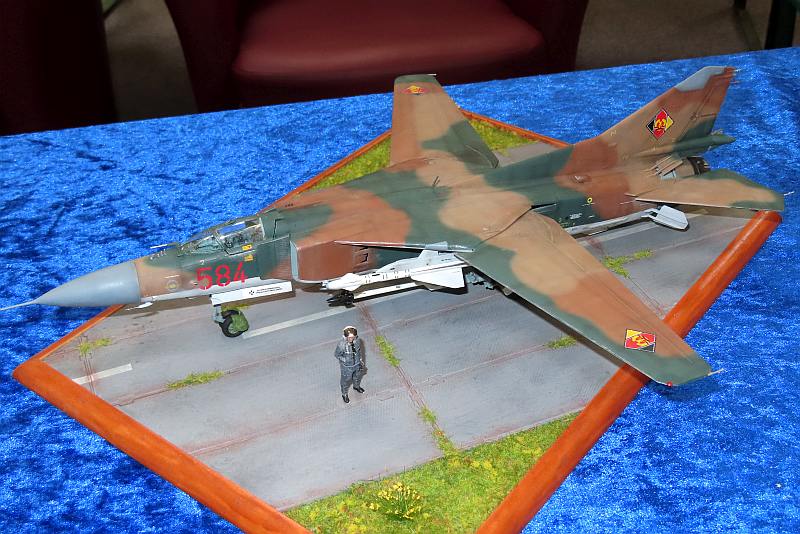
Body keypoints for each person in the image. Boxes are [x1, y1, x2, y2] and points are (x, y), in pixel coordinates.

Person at [334, 325, 365, 403]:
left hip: (357, 364)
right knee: (345, 381)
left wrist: (360, 359)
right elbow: (337, 355)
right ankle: (344, 394)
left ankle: (356, 386)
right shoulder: (341, 345)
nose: (351, 339)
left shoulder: (357, 341)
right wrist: (345, 360)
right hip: (347, 367)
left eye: (353, 337)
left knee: (357, 377)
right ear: (345, 336)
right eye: (349, 337)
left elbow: (359, 351)